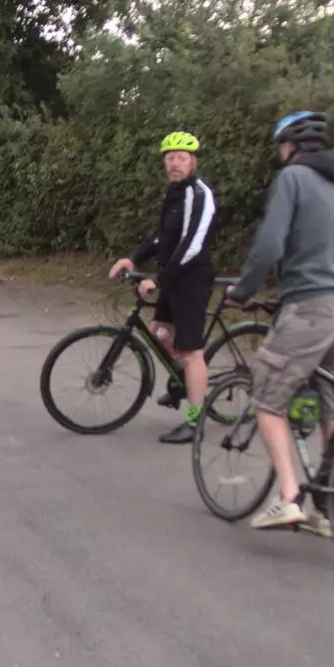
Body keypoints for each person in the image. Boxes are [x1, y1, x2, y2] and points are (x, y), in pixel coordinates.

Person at [227, 111, 334, 533]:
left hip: (307, 306)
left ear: (290, 146)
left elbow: (270, 244)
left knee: (267, 396)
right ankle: (324, 508)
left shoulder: (292, 179)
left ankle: (289, 496)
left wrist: (243, 290)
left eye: (280, 147)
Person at [108, 131, 218, 444]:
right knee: (158, 330)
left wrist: (157, 280)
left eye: (181, 157)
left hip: (192, 280)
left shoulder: (199, 194)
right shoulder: (173, 194)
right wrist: (132, 258)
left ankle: (195, 420)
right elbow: (162, 239)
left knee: (190, 351)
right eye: (169, 158)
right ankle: (182, 380)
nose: (174, 163)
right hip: (172, 277)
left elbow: (192, 245)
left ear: (193, 161)